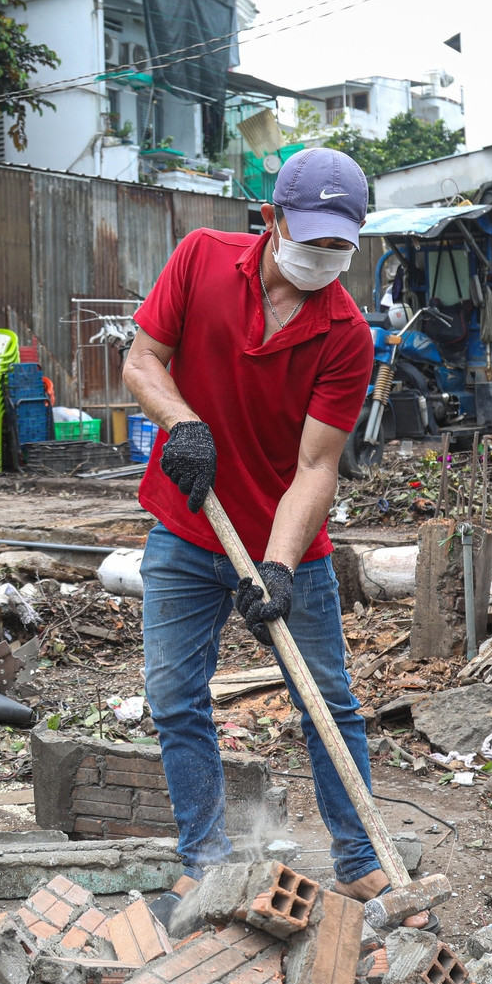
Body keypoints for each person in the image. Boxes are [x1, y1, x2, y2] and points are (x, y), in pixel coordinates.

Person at [121, 148, 412, 926]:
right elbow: (143, 359)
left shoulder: (348, 336)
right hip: (189, 527)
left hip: (287, 542)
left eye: (339, 246)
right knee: (175, 698)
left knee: (328, 702)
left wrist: (279, 568)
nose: (323, 258)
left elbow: (317, 467)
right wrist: (181, 424)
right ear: (273, 220)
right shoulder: (202, 261)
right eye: (310, 238)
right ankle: (205, 864)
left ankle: (360, 863)